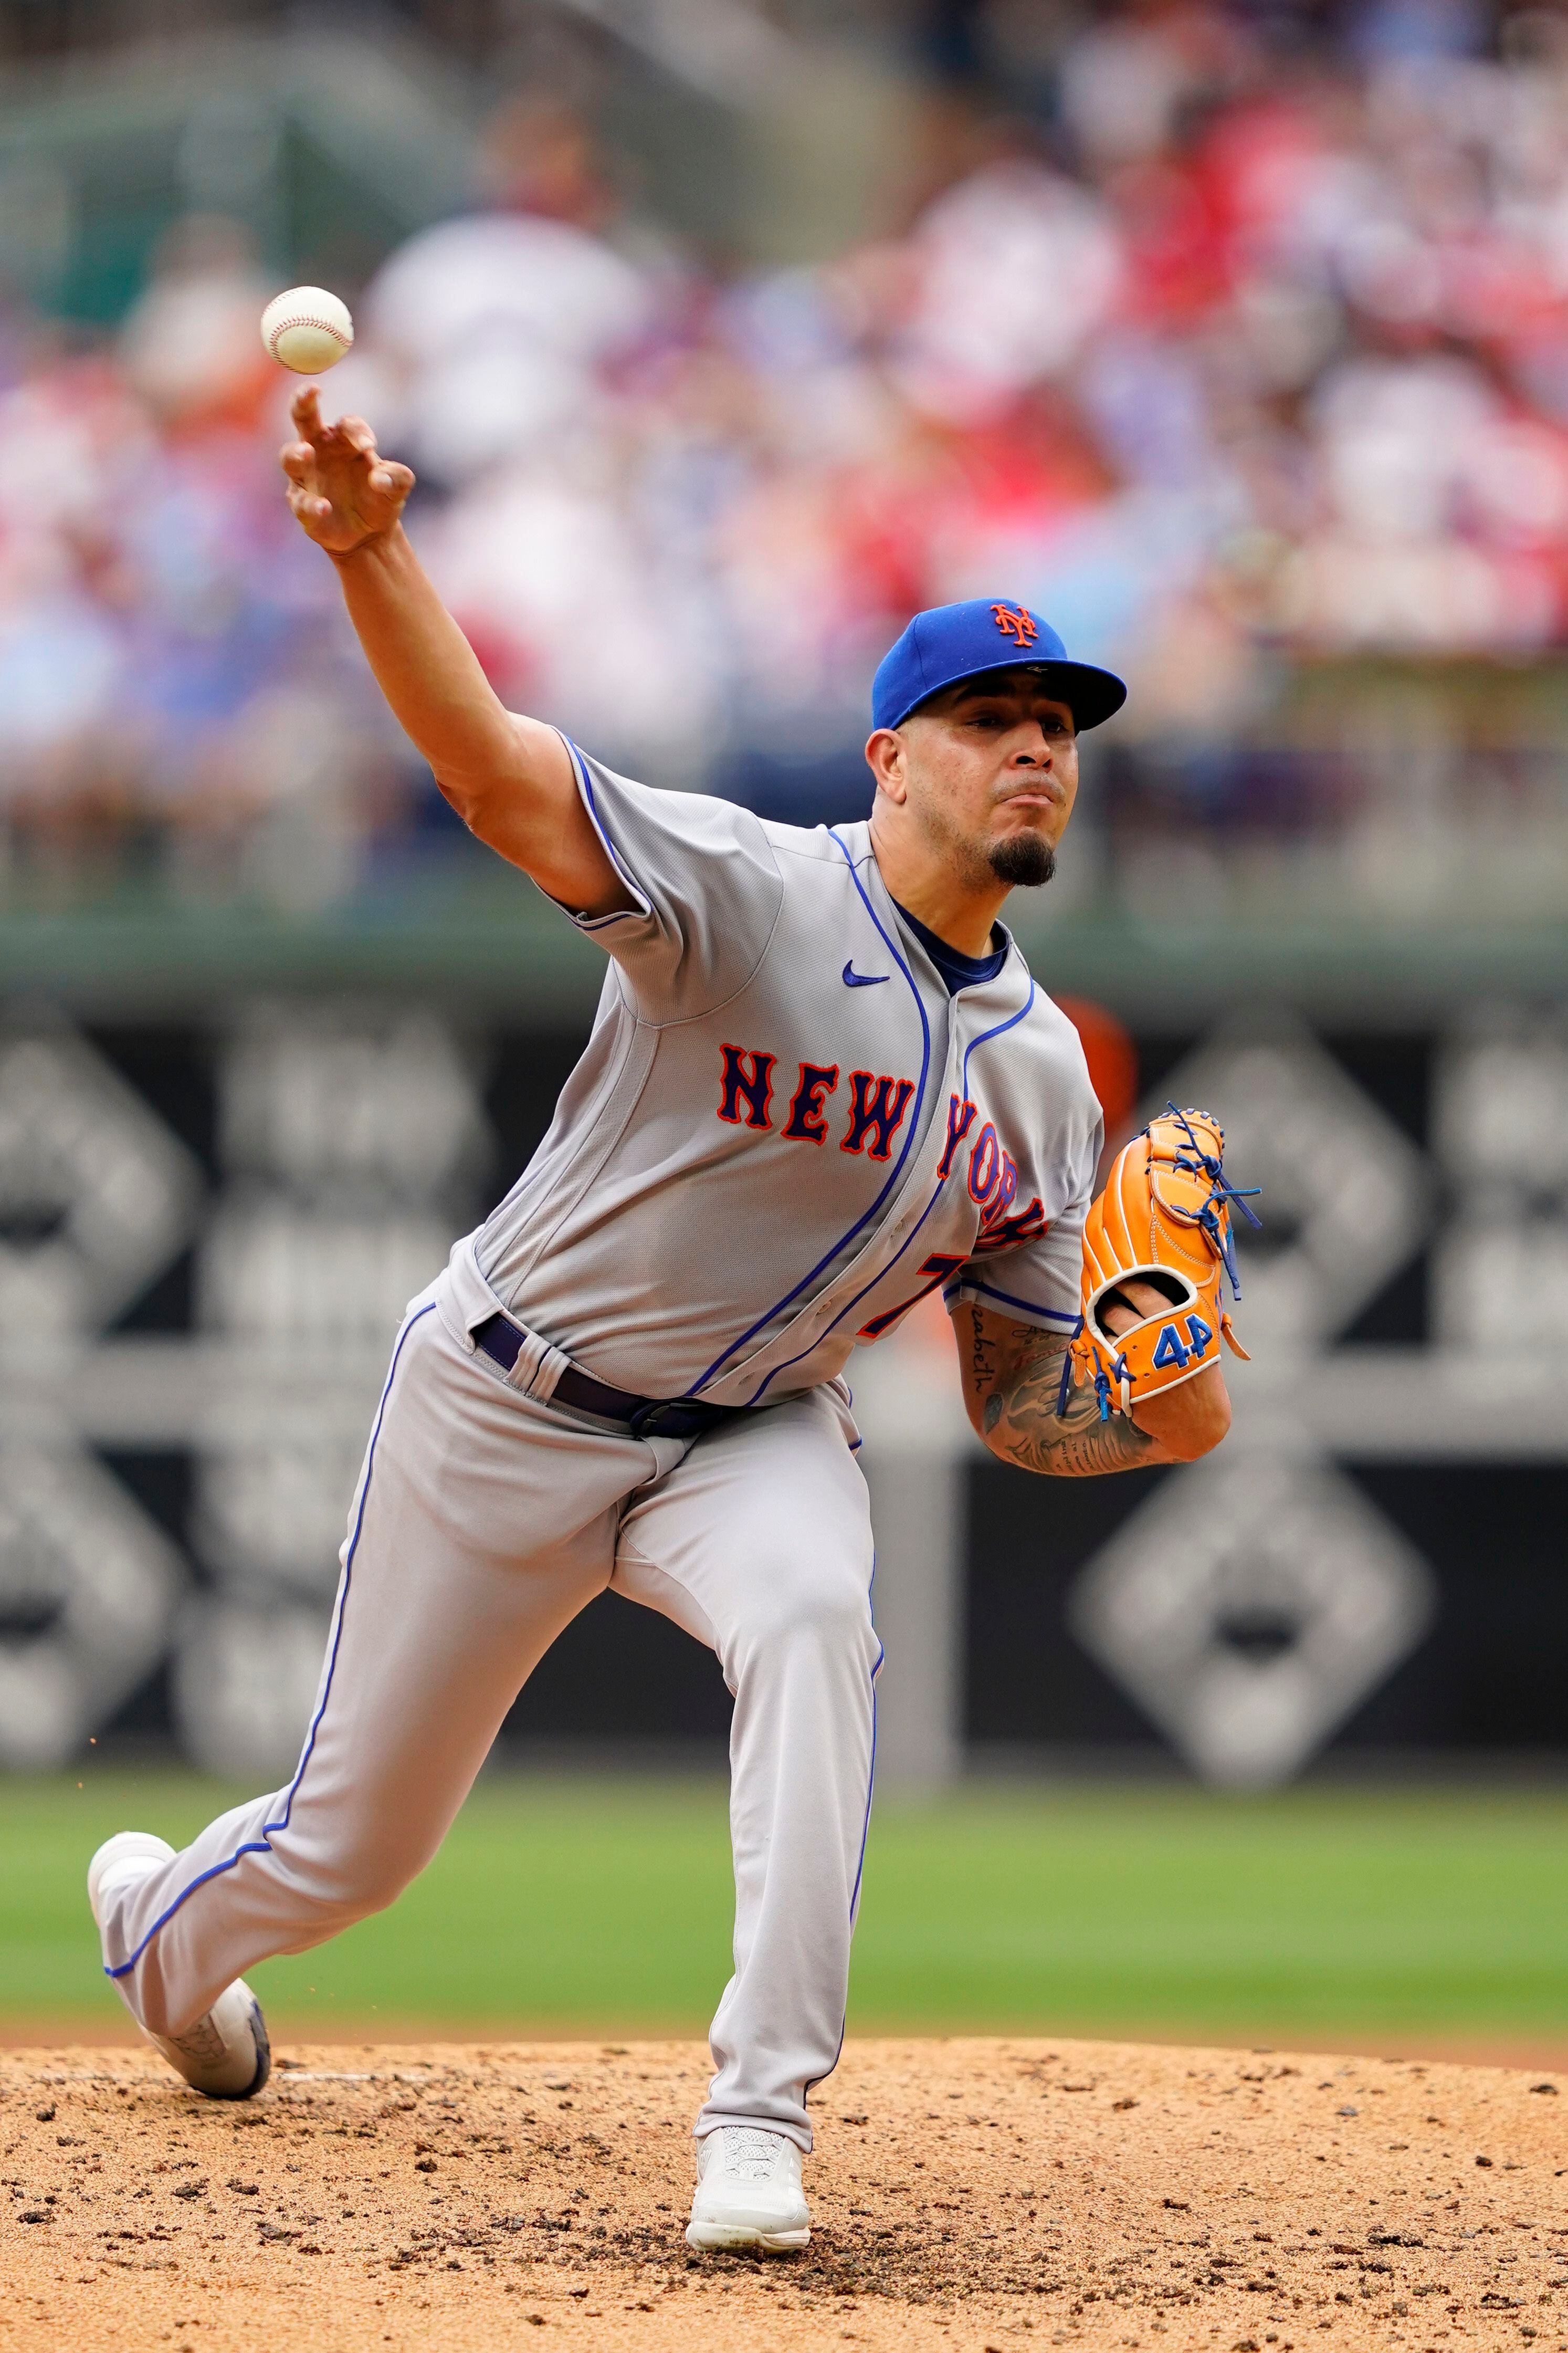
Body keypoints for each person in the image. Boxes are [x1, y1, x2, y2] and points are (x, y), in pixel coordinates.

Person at [87, 388, 1233, 2254]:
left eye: (1057, 728)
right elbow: (490, 774)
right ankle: (159, 1934)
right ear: (890, 754)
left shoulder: (1040, 1082)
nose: (1033, 750)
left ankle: (757, 2124)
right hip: (511, 1390)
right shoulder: (748, 891)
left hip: (756, 1431)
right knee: (354, 1847)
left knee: (810, 1620)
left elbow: (1026, 1402)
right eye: (989, 720)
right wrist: (373, 545)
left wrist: (1165, 1408)